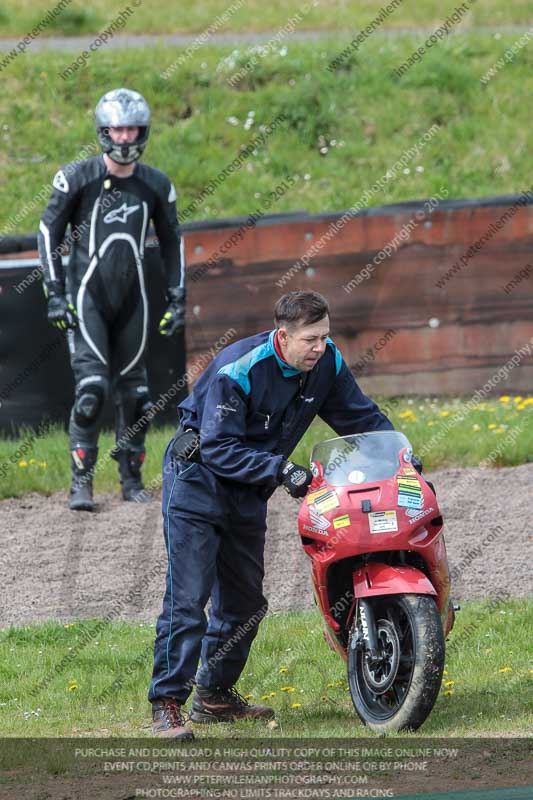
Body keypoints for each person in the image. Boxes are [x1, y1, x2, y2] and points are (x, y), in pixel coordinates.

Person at [148, 290, 397, 739]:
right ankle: (166, 704)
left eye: (324, 336)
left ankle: (214, 696)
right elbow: (217, 447)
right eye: (310, 339)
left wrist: (398, 455)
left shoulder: (327, 363)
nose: (320, 347)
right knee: (188, 600)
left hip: (248, 490)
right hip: (197, 482)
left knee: (245, 604)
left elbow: (359, 418)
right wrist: (280, 469)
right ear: (282, 336)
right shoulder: (238, 369)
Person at [38, 88, 185, 511]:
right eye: (117, 130)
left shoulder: (156, 184)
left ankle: (131, 481)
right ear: (104, 132)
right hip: (87, 299)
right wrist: (54, 294)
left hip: (134, 303)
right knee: (91, 392)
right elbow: (47, 232)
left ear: (143, 131)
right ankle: (80, 484)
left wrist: (178, 297)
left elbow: (173, 241)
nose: (124, 138)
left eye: (132, 129)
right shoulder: (76, 178)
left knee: (137, 396)